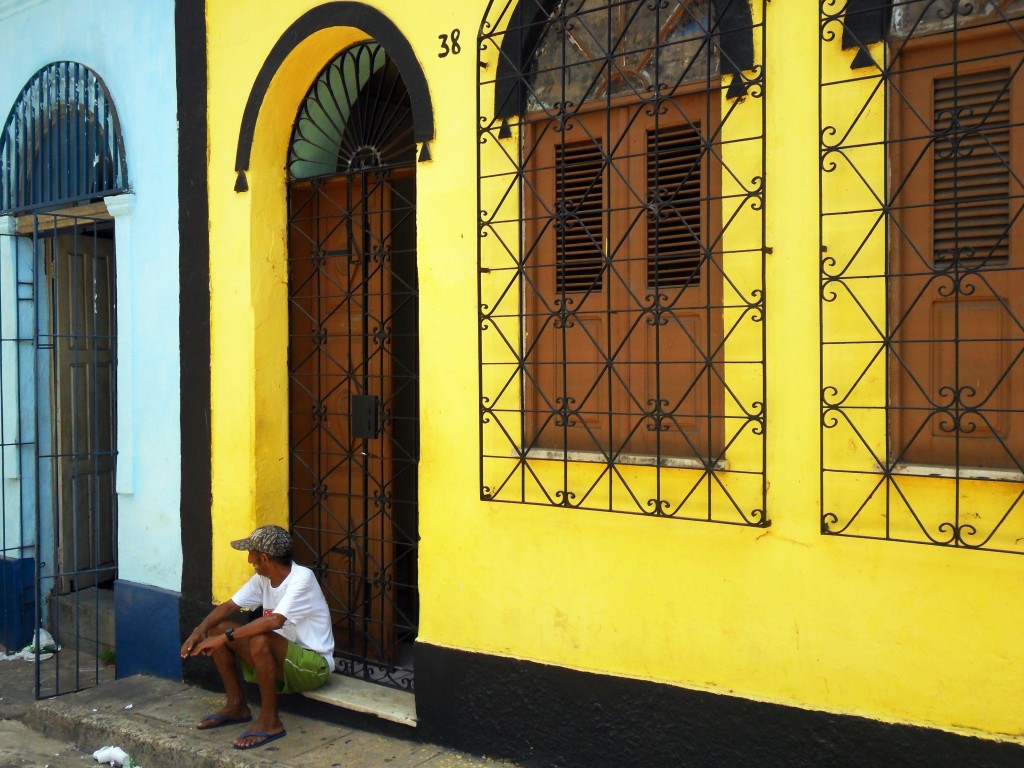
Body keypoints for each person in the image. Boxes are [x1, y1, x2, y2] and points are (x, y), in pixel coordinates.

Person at [180, 524, 335, 750]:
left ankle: (271, 721)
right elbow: (229, 606)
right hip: (282, 660)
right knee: (217, 628)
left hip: (313, 666)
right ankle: (236, 705)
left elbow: (275, 621)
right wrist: (199, 631)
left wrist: (224, 639)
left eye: (251, 554)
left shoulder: (303, 578)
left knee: (258, 637)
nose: (249, 560)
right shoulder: (263, 579)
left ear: (264, 558)